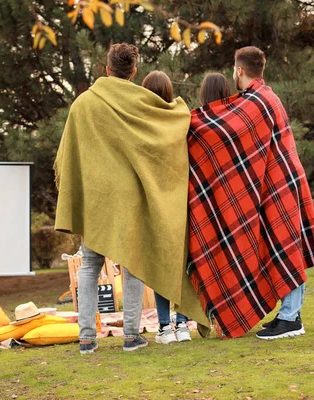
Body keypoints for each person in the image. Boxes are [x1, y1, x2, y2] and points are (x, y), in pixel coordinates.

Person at [54, 43, 208, 354]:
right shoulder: (139, 102)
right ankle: (131, 337)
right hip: (127, 199)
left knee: (89, 266)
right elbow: (165, 128)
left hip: (95, 198)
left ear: (106, 69)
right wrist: (181, 108)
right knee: (134, 263)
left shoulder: (82, 105)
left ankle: (86, 338)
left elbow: (66, 155)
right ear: (133, 71)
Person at [185, 46, 313, 340]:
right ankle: (288, 314)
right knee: (281, 247)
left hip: (280, 185)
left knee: (285, 246)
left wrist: (188, 123)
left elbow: (223, 129)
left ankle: (291, 318)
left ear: (239, 70)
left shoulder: (257, 100)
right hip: (280, 183)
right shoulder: (262, 97)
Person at [141, 71, 192, 344]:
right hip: (181, 202)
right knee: (181, 265)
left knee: (160, 266)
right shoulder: (180, 117)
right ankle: (183, 325)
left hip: (154, 204)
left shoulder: (142, 122)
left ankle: (164, 328)